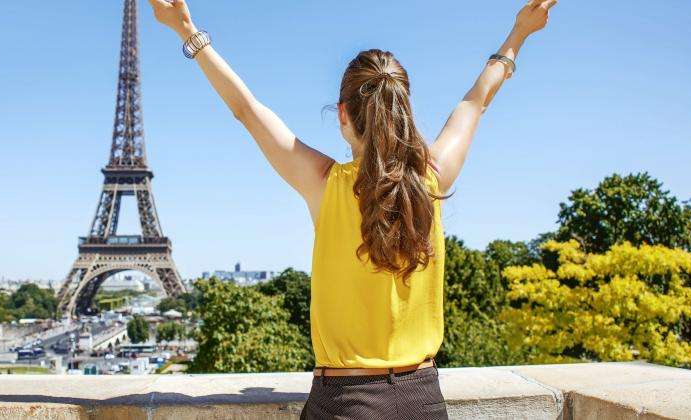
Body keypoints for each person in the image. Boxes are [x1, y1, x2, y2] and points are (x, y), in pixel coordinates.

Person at [147, 0, 556, 418]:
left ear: (343, 114)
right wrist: (518, 33)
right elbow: (476, 102)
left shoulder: (327, 184)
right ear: (403, 110)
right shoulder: (432, 178)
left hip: (345, 403)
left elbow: (247, 110)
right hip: (423, 402)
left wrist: (188, 33)